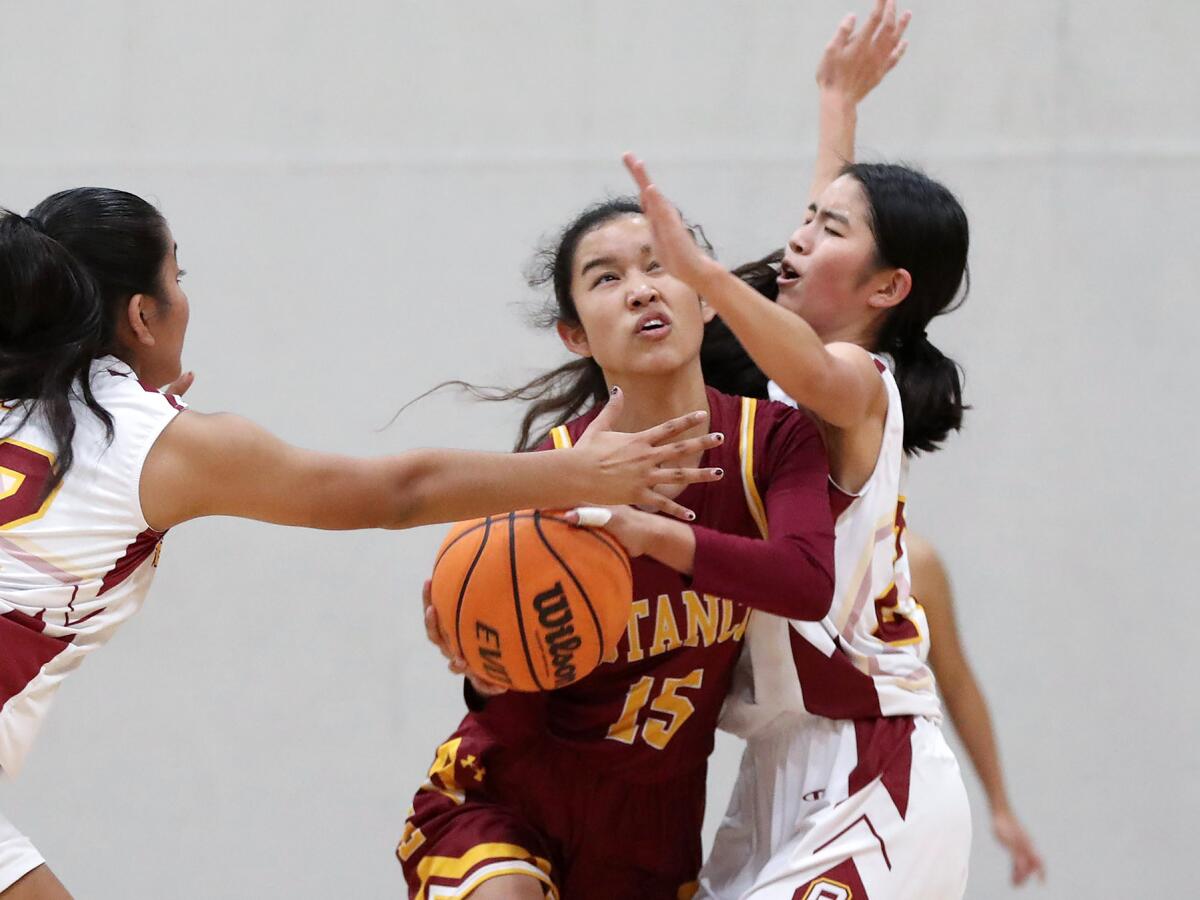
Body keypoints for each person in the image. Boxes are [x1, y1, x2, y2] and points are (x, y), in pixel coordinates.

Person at [0, 188, 726, 899]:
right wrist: (576, 471)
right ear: (141, 316)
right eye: (177, 279)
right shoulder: (160, 444)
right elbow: (396, 494)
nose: (186, 299)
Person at [624, 7, 975, 892]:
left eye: (827, 230)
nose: (797, 237)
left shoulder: (860, 383)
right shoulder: (795, 373)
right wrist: (834, 104)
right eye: (806, 219)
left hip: (876, 764)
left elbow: (821, 362)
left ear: (888, 287)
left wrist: (700, 276)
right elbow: (822, 262)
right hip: (781, 762)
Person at [401, 197, 838, 899]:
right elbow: (513, 717)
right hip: (509, 804)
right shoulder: (555, 470)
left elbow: (806, 582)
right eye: (606, 279)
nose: (640, 288)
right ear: (575, 336)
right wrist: (488, 670)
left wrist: (653, 533)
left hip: (651, 844)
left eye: (660, 266)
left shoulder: (774, 442)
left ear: (706, 297)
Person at [907, 532, 1047, 888]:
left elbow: (956, 680)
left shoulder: (915, 562)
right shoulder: (768, 545)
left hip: (887, 795)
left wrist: (1000, 806)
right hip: (780, 782)